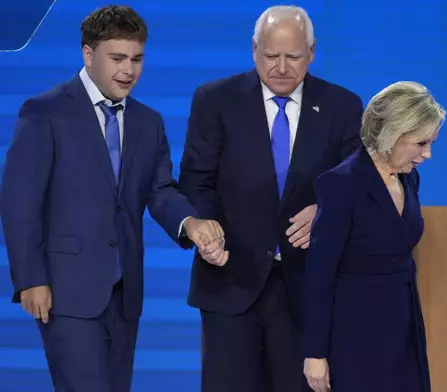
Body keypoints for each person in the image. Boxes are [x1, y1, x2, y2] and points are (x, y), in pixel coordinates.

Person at [0, 6, 222, 392]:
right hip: (66, 292)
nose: (128, 70)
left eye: (136, 59)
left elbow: (161, 191)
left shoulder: (147, 122)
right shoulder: (44, 112)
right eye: (117, 58)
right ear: (88, 55)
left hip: (124, 294)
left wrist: (192, 223)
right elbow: (20, 202)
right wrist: (31, 278)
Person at [178, 5, 364, 392]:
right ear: (253, 50)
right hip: (229, 282)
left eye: (293, 56)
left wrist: (326, 212)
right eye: (271, 55)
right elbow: (197, 182)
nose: (281, 66)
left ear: (312, 53)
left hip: (306, 289)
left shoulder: (342, 107)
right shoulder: (215, 100)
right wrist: (208, 232)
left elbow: (360, 185)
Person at [302, 81, 447, 392]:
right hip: (355, 334)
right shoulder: (341, 184)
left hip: (403, 327)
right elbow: (319, 274)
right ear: (392, 134)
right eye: (421, 143)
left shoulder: (410, 178)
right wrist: (315, 353)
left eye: (431, 142)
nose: (428, 154)